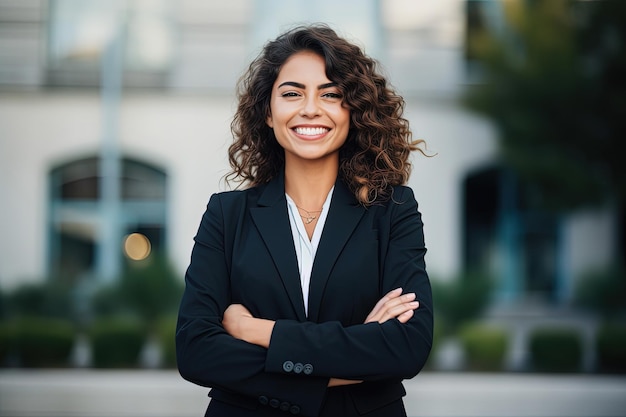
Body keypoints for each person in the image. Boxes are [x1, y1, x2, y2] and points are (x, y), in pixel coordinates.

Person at [176, 23, 433, 417]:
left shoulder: (393, 210)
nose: (310, 108)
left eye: (330, 94)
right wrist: (353, 354)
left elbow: (406, 347)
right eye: (292, 93)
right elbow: (196, 350)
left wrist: (255, 331)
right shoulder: (227, 215)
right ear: (267, 111)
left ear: (353, 111)